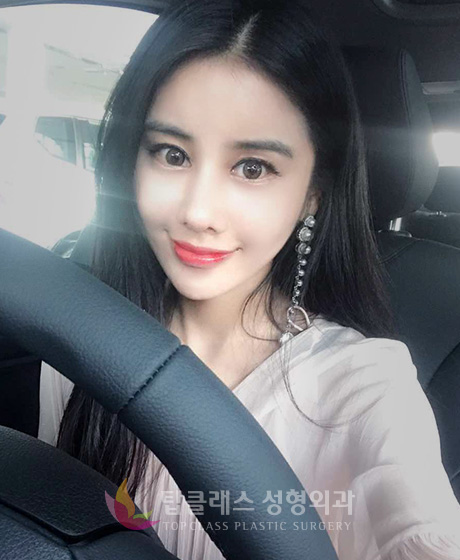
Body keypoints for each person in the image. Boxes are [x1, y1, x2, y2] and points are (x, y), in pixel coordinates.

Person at [38, 0, 460, 558]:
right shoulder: (81, 346)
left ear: (313, 193)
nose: (198, 212)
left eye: (252, 168)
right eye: (171, 154)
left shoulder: (363, 386)